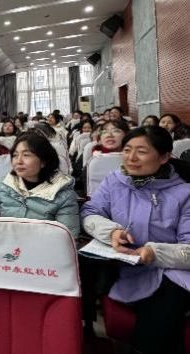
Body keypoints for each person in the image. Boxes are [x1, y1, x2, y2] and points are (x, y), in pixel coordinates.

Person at [81, 126, 190, 354]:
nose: (131, 157)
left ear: (164, 157)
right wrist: (111, 232)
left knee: (161, 317)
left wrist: (153, 253)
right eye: (127, 150)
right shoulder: (115, 181)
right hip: (124, 266)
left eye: (141, 151)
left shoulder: (184, 193)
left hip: (171, 270)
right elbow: (90, 212)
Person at [0, 133, 79, 238]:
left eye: (26, 155)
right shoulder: (4, 186)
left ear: (43, 161)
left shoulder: (63, 195)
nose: (18, 161)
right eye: (15, 155)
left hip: (43, 249)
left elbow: (67, 237)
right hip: (5, 245)